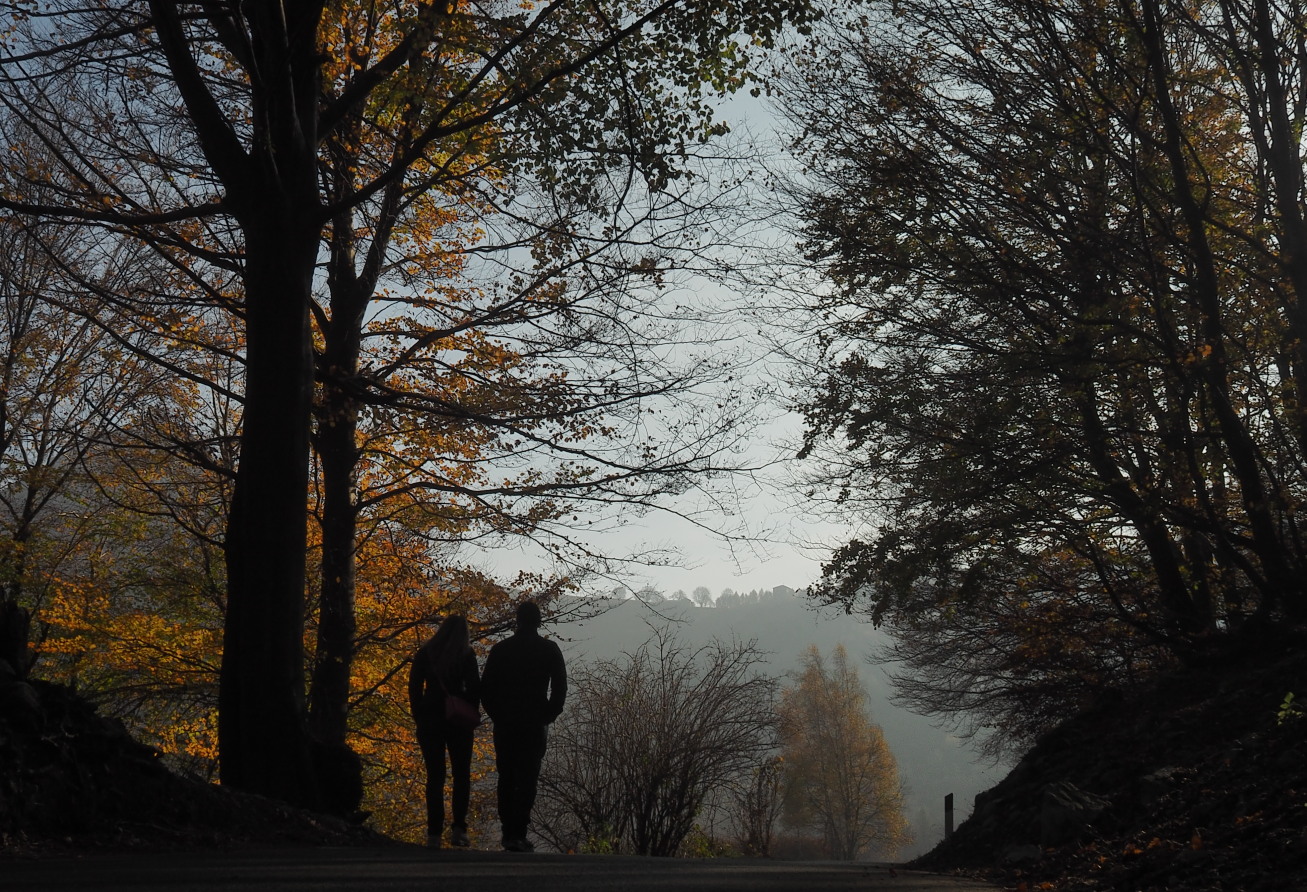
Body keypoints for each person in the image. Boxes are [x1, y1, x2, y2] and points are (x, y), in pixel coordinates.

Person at [479, 600, 567, 853]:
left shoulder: (501, 649)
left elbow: (486, 688)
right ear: (539, 621)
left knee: (506, 776)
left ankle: (509, 833)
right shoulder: (549, 649)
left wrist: (497, 714)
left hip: (506, 721)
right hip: (534, 721)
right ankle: (520, 831)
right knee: (528, 777)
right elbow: (560, 687)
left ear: (517, 620)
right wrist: (550, 713)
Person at [408, 614, 481, 848]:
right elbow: (474, 688)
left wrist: (419, 714)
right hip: (458, 721)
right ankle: (459, 828)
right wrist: (468, 708)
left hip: (430, 720)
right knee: (461, 775)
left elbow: (414, 687)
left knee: (435, 777)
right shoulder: (466, 655)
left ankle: (434, 833)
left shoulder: (426, 653)